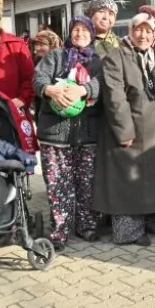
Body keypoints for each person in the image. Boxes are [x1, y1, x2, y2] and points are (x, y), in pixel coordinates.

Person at [94, 12, 155, 246]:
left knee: (153, 179)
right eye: (138, 29)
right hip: (130, 132)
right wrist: (124, 131)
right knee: (128, 182)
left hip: (154, 131)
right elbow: (115, 97)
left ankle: (153, 223)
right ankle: (128, 232)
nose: (144, 35)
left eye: (149, 30)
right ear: (130, 31)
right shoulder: (116, 56)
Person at [33, 16, 103, 252]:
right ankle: (59, 232)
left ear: (92, 33)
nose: (80, 34)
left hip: (87, 134)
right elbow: (38, 78)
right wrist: (50, 90)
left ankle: (86, 225)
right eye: (75, 29)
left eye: (84, 30)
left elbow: (103, 84)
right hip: (55, 133)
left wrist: (84, 89)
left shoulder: (97, 61)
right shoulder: (55, 56)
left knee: (87, 183)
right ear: (69, 33)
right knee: (57, 185)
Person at [31, 30, 63, 123]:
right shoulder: (35, 60)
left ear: (52, 45)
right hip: (39, 106)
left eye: (42, 45)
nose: (37, 48)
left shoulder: (60, 62)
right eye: (36, 45)